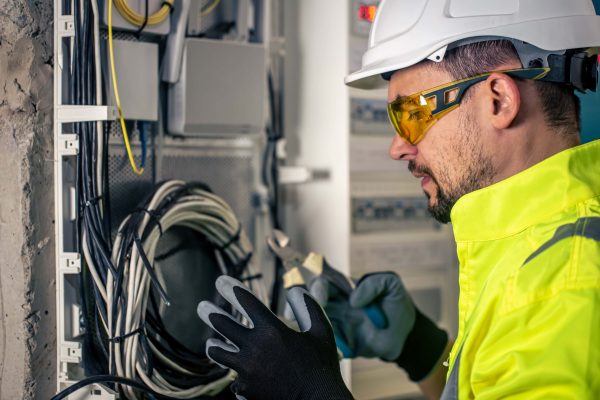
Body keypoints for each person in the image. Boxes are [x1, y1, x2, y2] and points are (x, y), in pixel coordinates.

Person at [198, 0, 600, 399]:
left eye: (412, 114)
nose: (397, 147)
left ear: (499, 99)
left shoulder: (564, 284)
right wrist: (420, 349)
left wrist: (312, 394)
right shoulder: (540, 250)